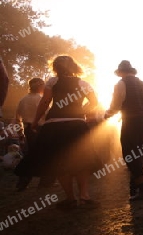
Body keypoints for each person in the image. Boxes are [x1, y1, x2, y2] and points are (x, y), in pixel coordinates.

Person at [15, 55, 98, 209]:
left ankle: (70, 199)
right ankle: (84, 196)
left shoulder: (52, 81)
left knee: (59, 162)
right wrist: (80, 112)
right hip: (77, 125)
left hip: (54, 126)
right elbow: (94, 102)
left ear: (55, 67)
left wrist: (35, 121)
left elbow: (45, 102)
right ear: (74, 66)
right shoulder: (83, 83)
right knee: (82, 161)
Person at [105, 60, 143, 200]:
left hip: (130, 122)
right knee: (140, 153)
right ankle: (135, 189)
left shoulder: (121, 84)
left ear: (121, 72)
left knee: (130, 154)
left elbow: (116, 105)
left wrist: (107, 115)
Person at [15, 78, 45, 154]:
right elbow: (47, 114)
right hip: (40, 129)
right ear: (40, 86)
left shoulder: (22, 100)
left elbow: (17, 118)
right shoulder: (41, 99)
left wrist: (20, 134)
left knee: (31, 152)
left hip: (27, 130)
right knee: (41, 152)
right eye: (43, 85)